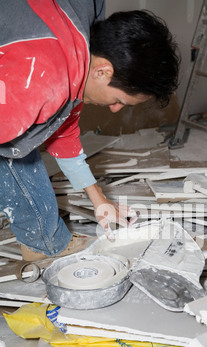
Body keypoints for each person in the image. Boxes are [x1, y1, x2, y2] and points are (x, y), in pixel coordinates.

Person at [0, 0, 180, 262]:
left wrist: (99, 200)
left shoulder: (86, 30)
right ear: (103, 71)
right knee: (15, 150)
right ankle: (42, 244)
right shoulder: (36, 86)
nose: (116, 109)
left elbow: (63, 128)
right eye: (119, 100)